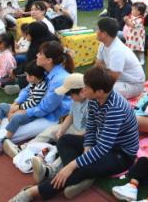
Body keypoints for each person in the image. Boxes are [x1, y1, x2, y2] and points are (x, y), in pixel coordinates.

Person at [7, 67, 139, 201]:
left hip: (120, 154)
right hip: (101, 143)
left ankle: (33, 192)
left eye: (87, 87)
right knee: (64, 140)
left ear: (99, 91)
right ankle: (79, 180)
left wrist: (71, 165)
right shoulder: (94, 99)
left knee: (80, 166)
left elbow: (103, 148)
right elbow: (91, 127)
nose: (83, 90)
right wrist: (87, 146)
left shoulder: (115, 109)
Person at [95, 18, 145, 99]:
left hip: (133, 85)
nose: (95, 32)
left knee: (101, 91)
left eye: (97, 29)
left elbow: (112, 77)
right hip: (120, 81)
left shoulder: (117, 50)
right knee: (92, 85)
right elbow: (98, 65)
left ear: (104, 34)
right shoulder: (103, 44)